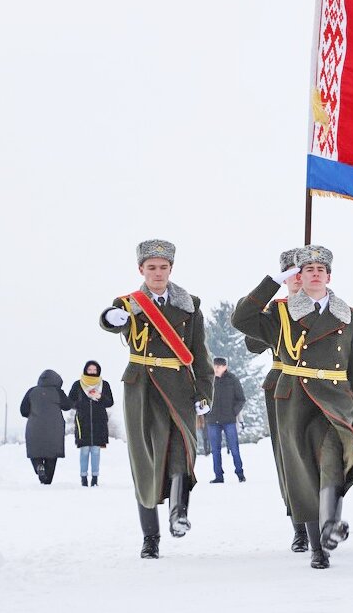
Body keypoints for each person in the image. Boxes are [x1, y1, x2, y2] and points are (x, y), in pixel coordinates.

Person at [232, 245, 353, 570]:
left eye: (321, 269)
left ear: (329, 276)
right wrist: (271, 282)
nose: (315, 273)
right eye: (308, 270)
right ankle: (318, 549)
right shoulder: (281, 313)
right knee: (304, 473)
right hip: (294, 399)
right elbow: (242, 319)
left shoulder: (350, 315)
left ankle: (331, 525)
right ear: (298, 277)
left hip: (335, 400)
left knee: (333, 462)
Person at [99, 239, 214, 560]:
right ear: (141, 270)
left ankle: (179, 513)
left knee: (182, 450)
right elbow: (110, 320)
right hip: (143, 388)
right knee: (146, 461)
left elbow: (200, 355)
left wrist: (205, 392)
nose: (158, 273)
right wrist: (112, 318)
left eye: (163, 267)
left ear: (171, 269)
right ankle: (150, 538)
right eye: (152, 268)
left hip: (179, 387)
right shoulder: (129, 303)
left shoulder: (189, 305)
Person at [244, 247, 310, 552]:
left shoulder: (327, 307)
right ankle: (299, 525)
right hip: (283, 387)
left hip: (321, 388)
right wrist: (271, 309)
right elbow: (251, 343)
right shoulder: (275, 311)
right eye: (291, 275)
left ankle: (326, 517)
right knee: (289, 459)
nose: (298, 279)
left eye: (303, 272)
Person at [20, 369, 72, 484]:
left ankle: (39, 466)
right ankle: (47, 479)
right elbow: (67, 406)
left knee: (35, 452)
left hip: (34, 428)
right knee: (52, 454)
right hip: (55, 429)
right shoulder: (58, 392)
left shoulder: (32, 391)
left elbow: (23, 411)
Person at [67, 360, 115, 487]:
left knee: (95, 451)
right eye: (90, 370)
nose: (92, 372)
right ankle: (83, 477)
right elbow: (69, 401)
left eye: (94, 370)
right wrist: (80, 405)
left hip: (99, 422)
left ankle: (95, 478)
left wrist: (100, 397)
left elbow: (110, 402)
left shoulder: (104, 385)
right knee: (84, 450)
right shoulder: (78, 385)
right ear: (85, 370)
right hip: (83, 422)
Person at [207, 356, 247, 483]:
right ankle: (218, 476)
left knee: (234, 448)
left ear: (225, 367)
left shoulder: (233, 380)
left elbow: (241, 399)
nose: (216, 369)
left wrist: (233, 412)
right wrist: (206, 413)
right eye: (215, 366)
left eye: (219, 366)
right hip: (212, 420)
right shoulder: (209, 380)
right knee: (215, 450)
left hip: (229, 420)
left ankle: (240, 473)